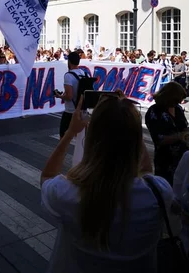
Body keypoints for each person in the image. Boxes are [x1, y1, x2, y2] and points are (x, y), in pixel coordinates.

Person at [41, 93, 173, 273]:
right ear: (135, 139)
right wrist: (128, 125)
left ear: (93, 138)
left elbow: (47, 177)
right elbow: (146, 171)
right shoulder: (158, 192)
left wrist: (70, 132)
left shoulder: (68, 194)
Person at [145, 81, 189, 185]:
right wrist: (179, 136)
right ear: (168, 97)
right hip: (165, 161)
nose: (177, 103)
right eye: (175, 100)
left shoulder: (178, 109)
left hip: (182, 159)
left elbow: (183, 127)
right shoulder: (155, 112)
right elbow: (159, 139)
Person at [54, 51, 86, 138]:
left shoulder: (68, 75)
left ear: (69, 62)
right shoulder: (83, 73)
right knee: (79, 137)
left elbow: (69, 96)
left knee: (63, 136)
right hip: (81, 109)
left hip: (70, 111)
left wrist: (59, 96)